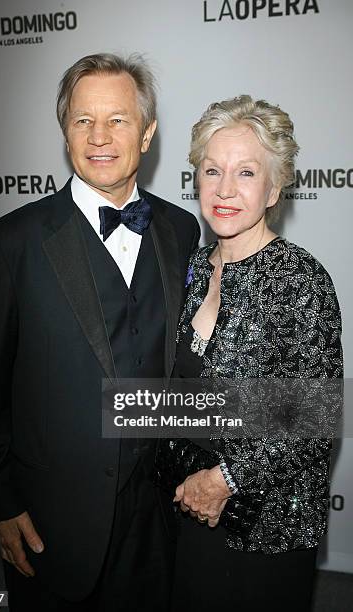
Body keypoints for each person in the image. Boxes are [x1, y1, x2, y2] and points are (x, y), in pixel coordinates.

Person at [0, 53, 200, 612]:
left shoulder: (182, 228)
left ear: (147, 133)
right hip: (53, 515)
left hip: (161, 509)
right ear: (65, 129)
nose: (100, 136)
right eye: (82, 120)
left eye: (118, 119)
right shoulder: (7, 245)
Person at [155, 95, 343, 611]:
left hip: (264, 527)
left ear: (274, 187)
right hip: (186, 509)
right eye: (212, 171)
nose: (225, 190)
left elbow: (314, 413)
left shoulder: (302, 280)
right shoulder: (189, 269)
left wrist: (227, 477)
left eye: (246, 172)